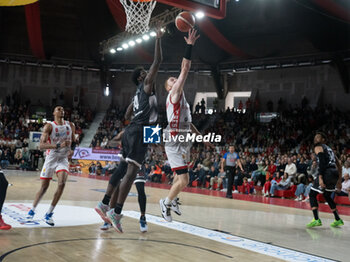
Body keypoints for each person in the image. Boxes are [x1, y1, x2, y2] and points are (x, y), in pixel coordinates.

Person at [96, 26, 163, 233]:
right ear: (142, 78)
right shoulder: (145, 86)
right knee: (132, 173)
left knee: (122, 168)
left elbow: (126, 115)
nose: (148, 73)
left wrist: (139, 116)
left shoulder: (136, 95)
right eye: (144, 73)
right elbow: (157, 62)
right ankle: (116, 212)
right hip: (139, 132)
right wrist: (158, 39)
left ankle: (104, 203)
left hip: (134, 130)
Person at [159, 29, 210, 222]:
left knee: (180, 178)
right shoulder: (173, 95)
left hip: (181, 139)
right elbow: (185, 68)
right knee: (185, 179)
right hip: (173, 139)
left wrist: (203, 139)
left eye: (175, 78)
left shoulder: (183, 100)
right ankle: (166, 202)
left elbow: (189, 125)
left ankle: (173, 199)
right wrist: (189, 45)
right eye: (172, 80)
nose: (175, 79)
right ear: (169, 87)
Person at [27, 106, 76, 226]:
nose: (61, 110)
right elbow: (41, 145)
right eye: (58, 109)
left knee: (62, 183)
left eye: (63, 109)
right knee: (44, 188)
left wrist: (72, 150)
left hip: (63, 159)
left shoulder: (71, 125)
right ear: (54, 113)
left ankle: (49, 213)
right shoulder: (49, 126)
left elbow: (74, 141)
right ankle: (32, 210)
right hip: (51, 157)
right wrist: (59, 146)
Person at [306, 132, 344, 228]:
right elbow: (339, 164)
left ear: (323, 140)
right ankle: (338, 219)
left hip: (326, 172)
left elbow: (322, 161)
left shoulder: (318, 147)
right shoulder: (330, 149)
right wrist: (339, 181)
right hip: (334, 173)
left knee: (312, 194)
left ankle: (316, 219)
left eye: (318, 137)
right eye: (315, 137)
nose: (316, 139)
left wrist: (320, 177)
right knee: (327, 196)